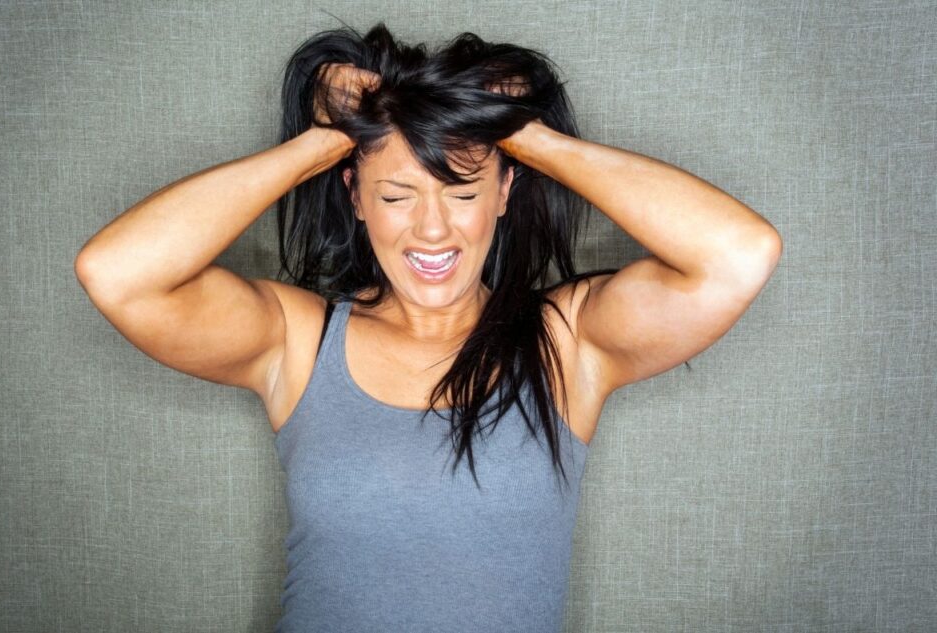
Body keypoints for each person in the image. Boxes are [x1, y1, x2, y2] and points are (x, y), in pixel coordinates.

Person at [75, 22, 781, 633]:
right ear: (356, 197)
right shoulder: (297, 340)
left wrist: (524, 135)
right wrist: (326, 142)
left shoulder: (569, 343)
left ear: (504, 191)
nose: (432, 229)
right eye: (396, 195)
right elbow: (117, 273)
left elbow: (738, 255)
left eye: (462, 190)